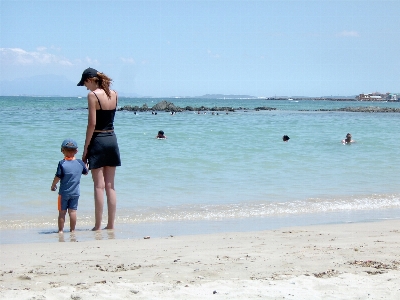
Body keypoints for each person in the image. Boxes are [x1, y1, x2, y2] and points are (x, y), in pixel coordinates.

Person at [77, 67, 121, 231]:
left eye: (85, 84)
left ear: (90, 80)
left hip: (98, 140)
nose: (86, 87)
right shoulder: (114, 94)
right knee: (111, 186)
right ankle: (111, 225)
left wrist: (85, 150)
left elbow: (92, 124)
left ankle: (97, 225)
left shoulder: (92, 95)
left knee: (98, 186)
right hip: (112, 139)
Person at [51, 139, 88, 233]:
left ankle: (60, 231)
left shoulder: (62, 163)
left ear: (62, 150)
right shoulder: (80, 163)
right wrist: (86, 164)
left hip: (63, 193)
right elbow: (86, 172)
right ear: (76, 151)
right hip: (75, 193)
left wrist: (53, 184)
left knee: (62, 212)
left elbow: (58, 176)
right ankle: (72, 230)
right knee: (73, 212)